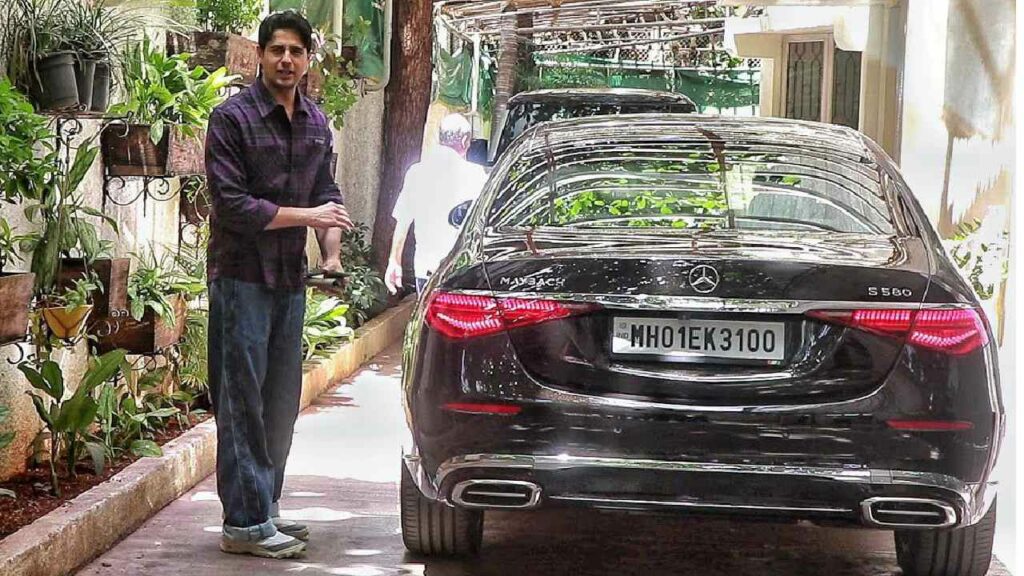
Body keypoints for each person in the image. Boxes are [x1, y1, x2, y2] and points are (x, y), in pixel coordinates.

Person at [204, 11, 352, 559]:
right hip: (241, 279)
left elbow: (327, 196)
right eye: (276, 50)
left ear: (308, 58)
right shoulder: (231, 119)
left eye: (295, 51)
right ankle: (243, 523)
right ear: (260, 56)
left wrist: (330, 254)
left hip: (291, 281)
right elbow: (234, 206)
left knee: (281, 403)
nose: (286, 60)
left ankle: (264, 507)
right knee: (241, 401)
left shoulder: (316, 122)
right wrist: (308, 217)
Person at [385, 114, 487, 294]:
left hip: (426, 268)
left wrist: (394, 261)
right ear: (465, 140)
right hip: (462, 268)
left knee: (427, 319)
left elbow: (403, 221)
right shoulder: (477, 175)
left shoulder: (417, 172)